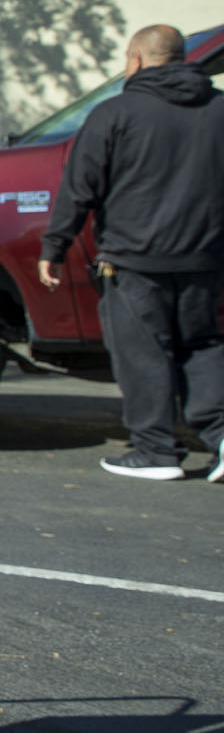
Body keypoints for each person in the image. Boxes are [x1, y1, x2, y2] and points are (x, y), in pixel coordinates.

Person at [40, 24, 224, 482]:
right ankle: (221, 437)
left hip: (133, 260)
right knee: (201, 345)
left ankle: (155, 450)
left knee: (143, 352)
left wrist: (55, 245)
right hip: (204, 258)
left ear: (136, 60)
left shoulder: (115, 113)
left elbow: (79, 187)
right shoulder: (220, 110)